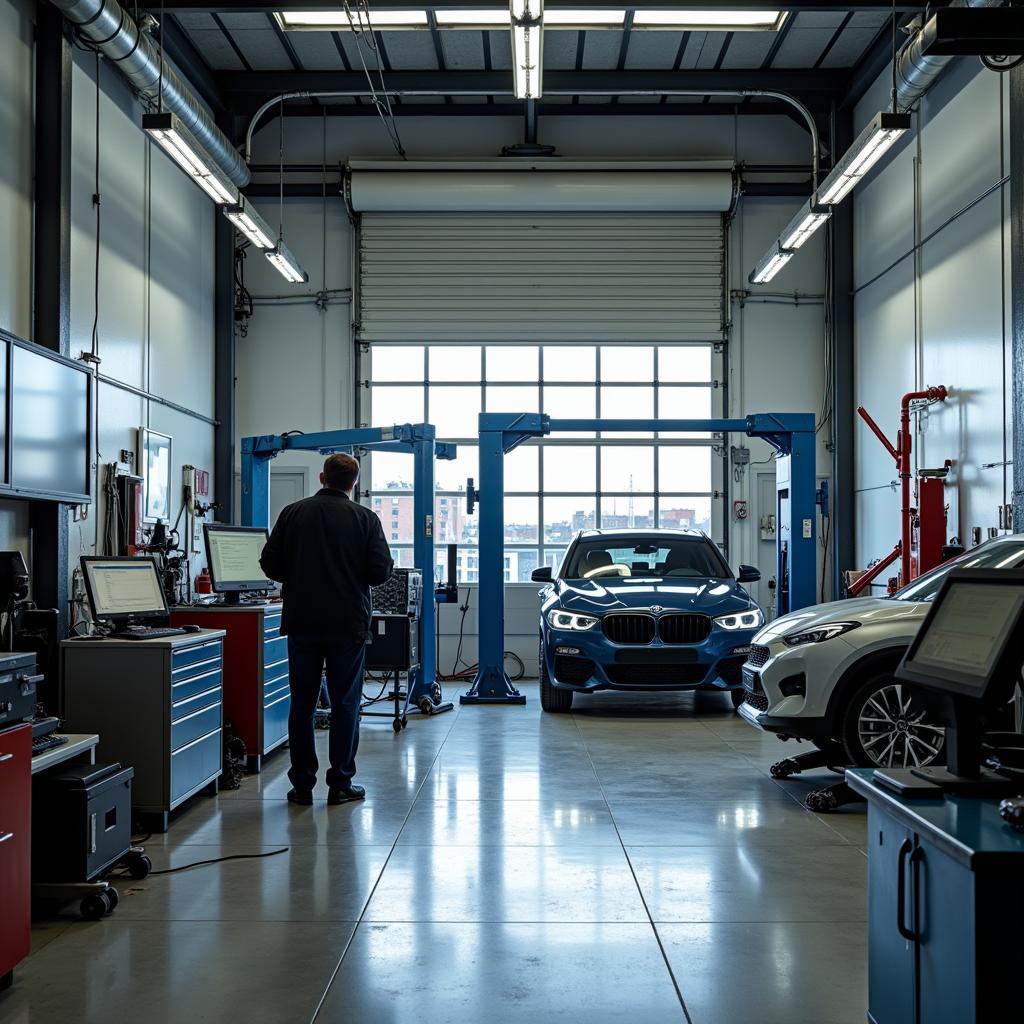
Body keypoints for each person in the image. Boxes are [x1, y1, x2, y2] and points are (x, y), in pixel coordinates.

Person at [260, 452, 394, 806]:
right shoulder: (366, 519)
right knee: (346, 703)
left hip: (302, 621)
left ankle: (302, 785)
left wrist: (300, 574)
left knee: (301, 703)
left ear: (322, 478)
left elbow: (269, 563)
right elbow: (381, 572)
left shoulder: (293, 513)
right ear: (353, 483)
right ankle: (340, 784)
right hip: (347, 623)